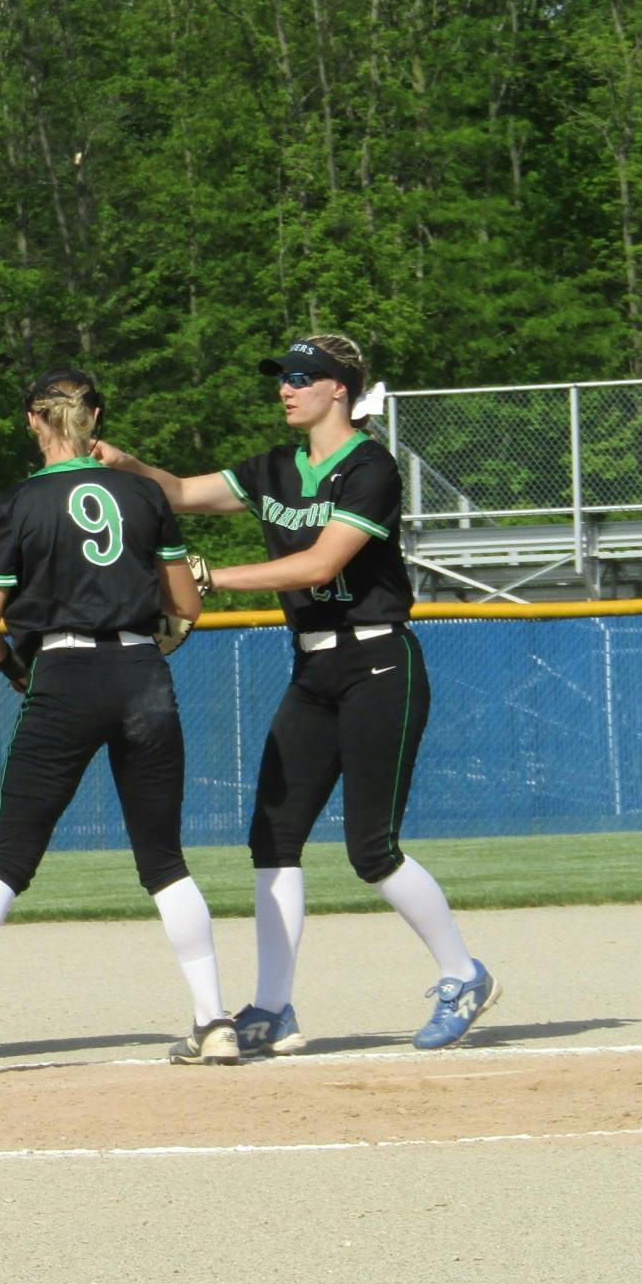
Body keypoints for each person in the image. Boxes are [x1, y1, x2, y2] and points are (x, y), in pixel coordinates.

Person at [93, 334, 499, 1053]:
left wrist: (211, 578)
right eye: (282, 376)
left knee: (372, 849)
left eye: (303, 377)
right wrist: (127, 466)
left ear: (340, 389)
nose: (286, 387)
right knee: (272, 838)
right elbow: (182, 492)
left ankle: (463, 974)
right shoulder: (275, 468)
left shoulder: (371, 467)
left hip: (378, 665)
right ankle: (273, 1010)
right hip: (312, 672)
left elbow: (320, 565)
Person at [0, 369, 233, 1080]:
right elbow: (187, 606)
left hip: (61, 673)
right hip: (141, 673)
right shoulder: (143, 494)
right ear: (97, 416)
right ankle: (214, 1022)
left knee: (9, 858)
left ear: (32, 420)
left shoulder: (15, 503)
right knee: (164, 860)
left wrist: (12, 668)